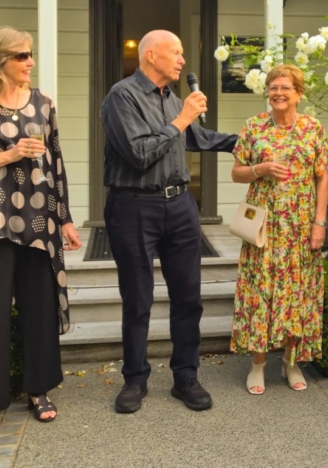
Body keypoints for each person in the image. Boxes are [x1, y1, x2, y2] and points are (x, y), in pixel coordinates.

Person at [0, 26, 82, 434]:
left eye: (30, 54)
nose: (30, 62)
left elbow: (56, 163)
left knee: (39, 308)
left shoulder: (43, 102)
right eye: (22, 55)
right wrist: (9, 154)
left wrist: (65, 218)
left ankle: (39, 390)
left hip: (40, 219)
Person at [101, 30, 237, 413]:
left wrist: (243, 142)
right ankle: (135, 380)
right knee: (138, 299)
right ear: (150, 55)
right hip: (133, 206)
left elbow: (196, 137)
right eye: (175, 52)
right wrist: (182, 118)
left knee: (188, 298)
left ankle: (186, 377)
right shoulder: (122, 96)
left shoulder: (172, 99)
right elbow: (139, 153)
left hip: (179, 206)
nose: (182, 60)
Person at [230, 64, 328, 395]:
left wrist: (319, 223)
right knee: (262, 292)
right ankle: (258, 364)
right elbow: (236, 173)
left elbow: (322, 178)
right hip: (264, 227)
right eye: (273, 87)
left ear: (299, 93)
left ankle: (290, 362)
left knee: (298, 294)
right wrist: (259, 168)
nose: (278, 93)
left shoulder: (313, 128)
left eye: (285, 87)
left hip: (301, 227)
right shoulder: (254, 126)